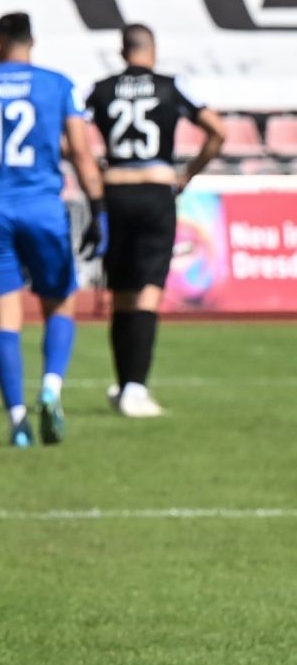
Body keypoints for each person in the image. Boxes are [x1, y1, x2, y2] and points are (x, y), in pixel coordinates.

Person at [0, 12, 106, 447]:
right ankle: (51, 388)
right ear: (31, 43)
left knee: (5, 316)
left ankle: (17, 420)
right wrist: (98, 210)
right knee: (60, 304)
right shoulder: (56, 85)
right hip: (43, 210)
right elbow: (81, 153)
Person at [84, 25, 226, 417]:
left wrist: (94, 170)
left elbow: (69, 136)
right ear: (153, 50)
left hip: (115, 191)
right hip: (156, 191)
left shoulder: (100, 88)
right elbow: (218, 131)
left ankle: (123, 384)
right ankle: (135, 389)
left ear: (122, 52)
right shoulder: (172, 85)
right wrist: (187, 174)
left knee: (121, 292)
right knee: (148, 291)